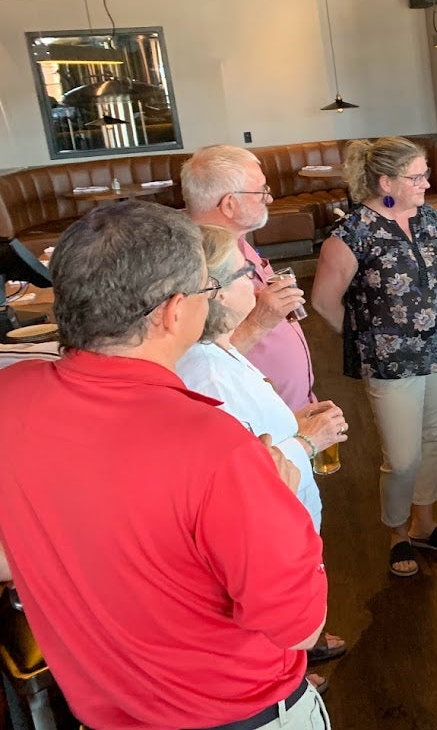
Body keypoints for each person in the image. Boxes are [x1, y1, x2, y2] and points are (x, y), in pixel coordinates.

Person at [0, 201, 330, 730]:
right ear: (174, 311)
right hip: (235, 713)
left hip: (101, 711)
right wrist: (278, 499)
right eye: (205, 290)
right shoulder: (216, 447)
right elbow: (298, 629)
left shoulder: (9, 396)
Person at [178, 224, 349, 687]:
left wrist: (292, 420)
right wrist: (307, 441)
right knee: (272, 623)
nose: (253, 285)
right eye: (240, 277)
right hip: (268, 536)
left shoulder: (216, 349)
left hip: (288, 515)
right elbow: (241, 480)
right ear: (211, 293)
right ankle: (286, 680)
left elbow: (251, 432)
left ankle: (295, 663)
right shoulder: (205, 374)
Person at [312, 137, 437, 578]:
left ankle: (424, 523)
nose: (427, 182)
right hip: (392, 362)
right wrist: (372, 337)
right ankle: (397, 533)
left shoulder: (430, 217)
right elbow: (324, 302)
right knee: (401, 457)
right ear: (386, 182)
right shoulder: (352, 234)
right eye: (417, 176)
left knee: (432, 438)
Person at [182, 144, 315, 410]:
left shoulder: (237, 241)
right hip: (258, 429)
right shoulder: (190, 265)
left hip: (292, 412)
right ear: (229, 204)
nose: (269, 199)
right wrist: (259, 322)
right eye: (261, 191)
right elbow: (195, 368)